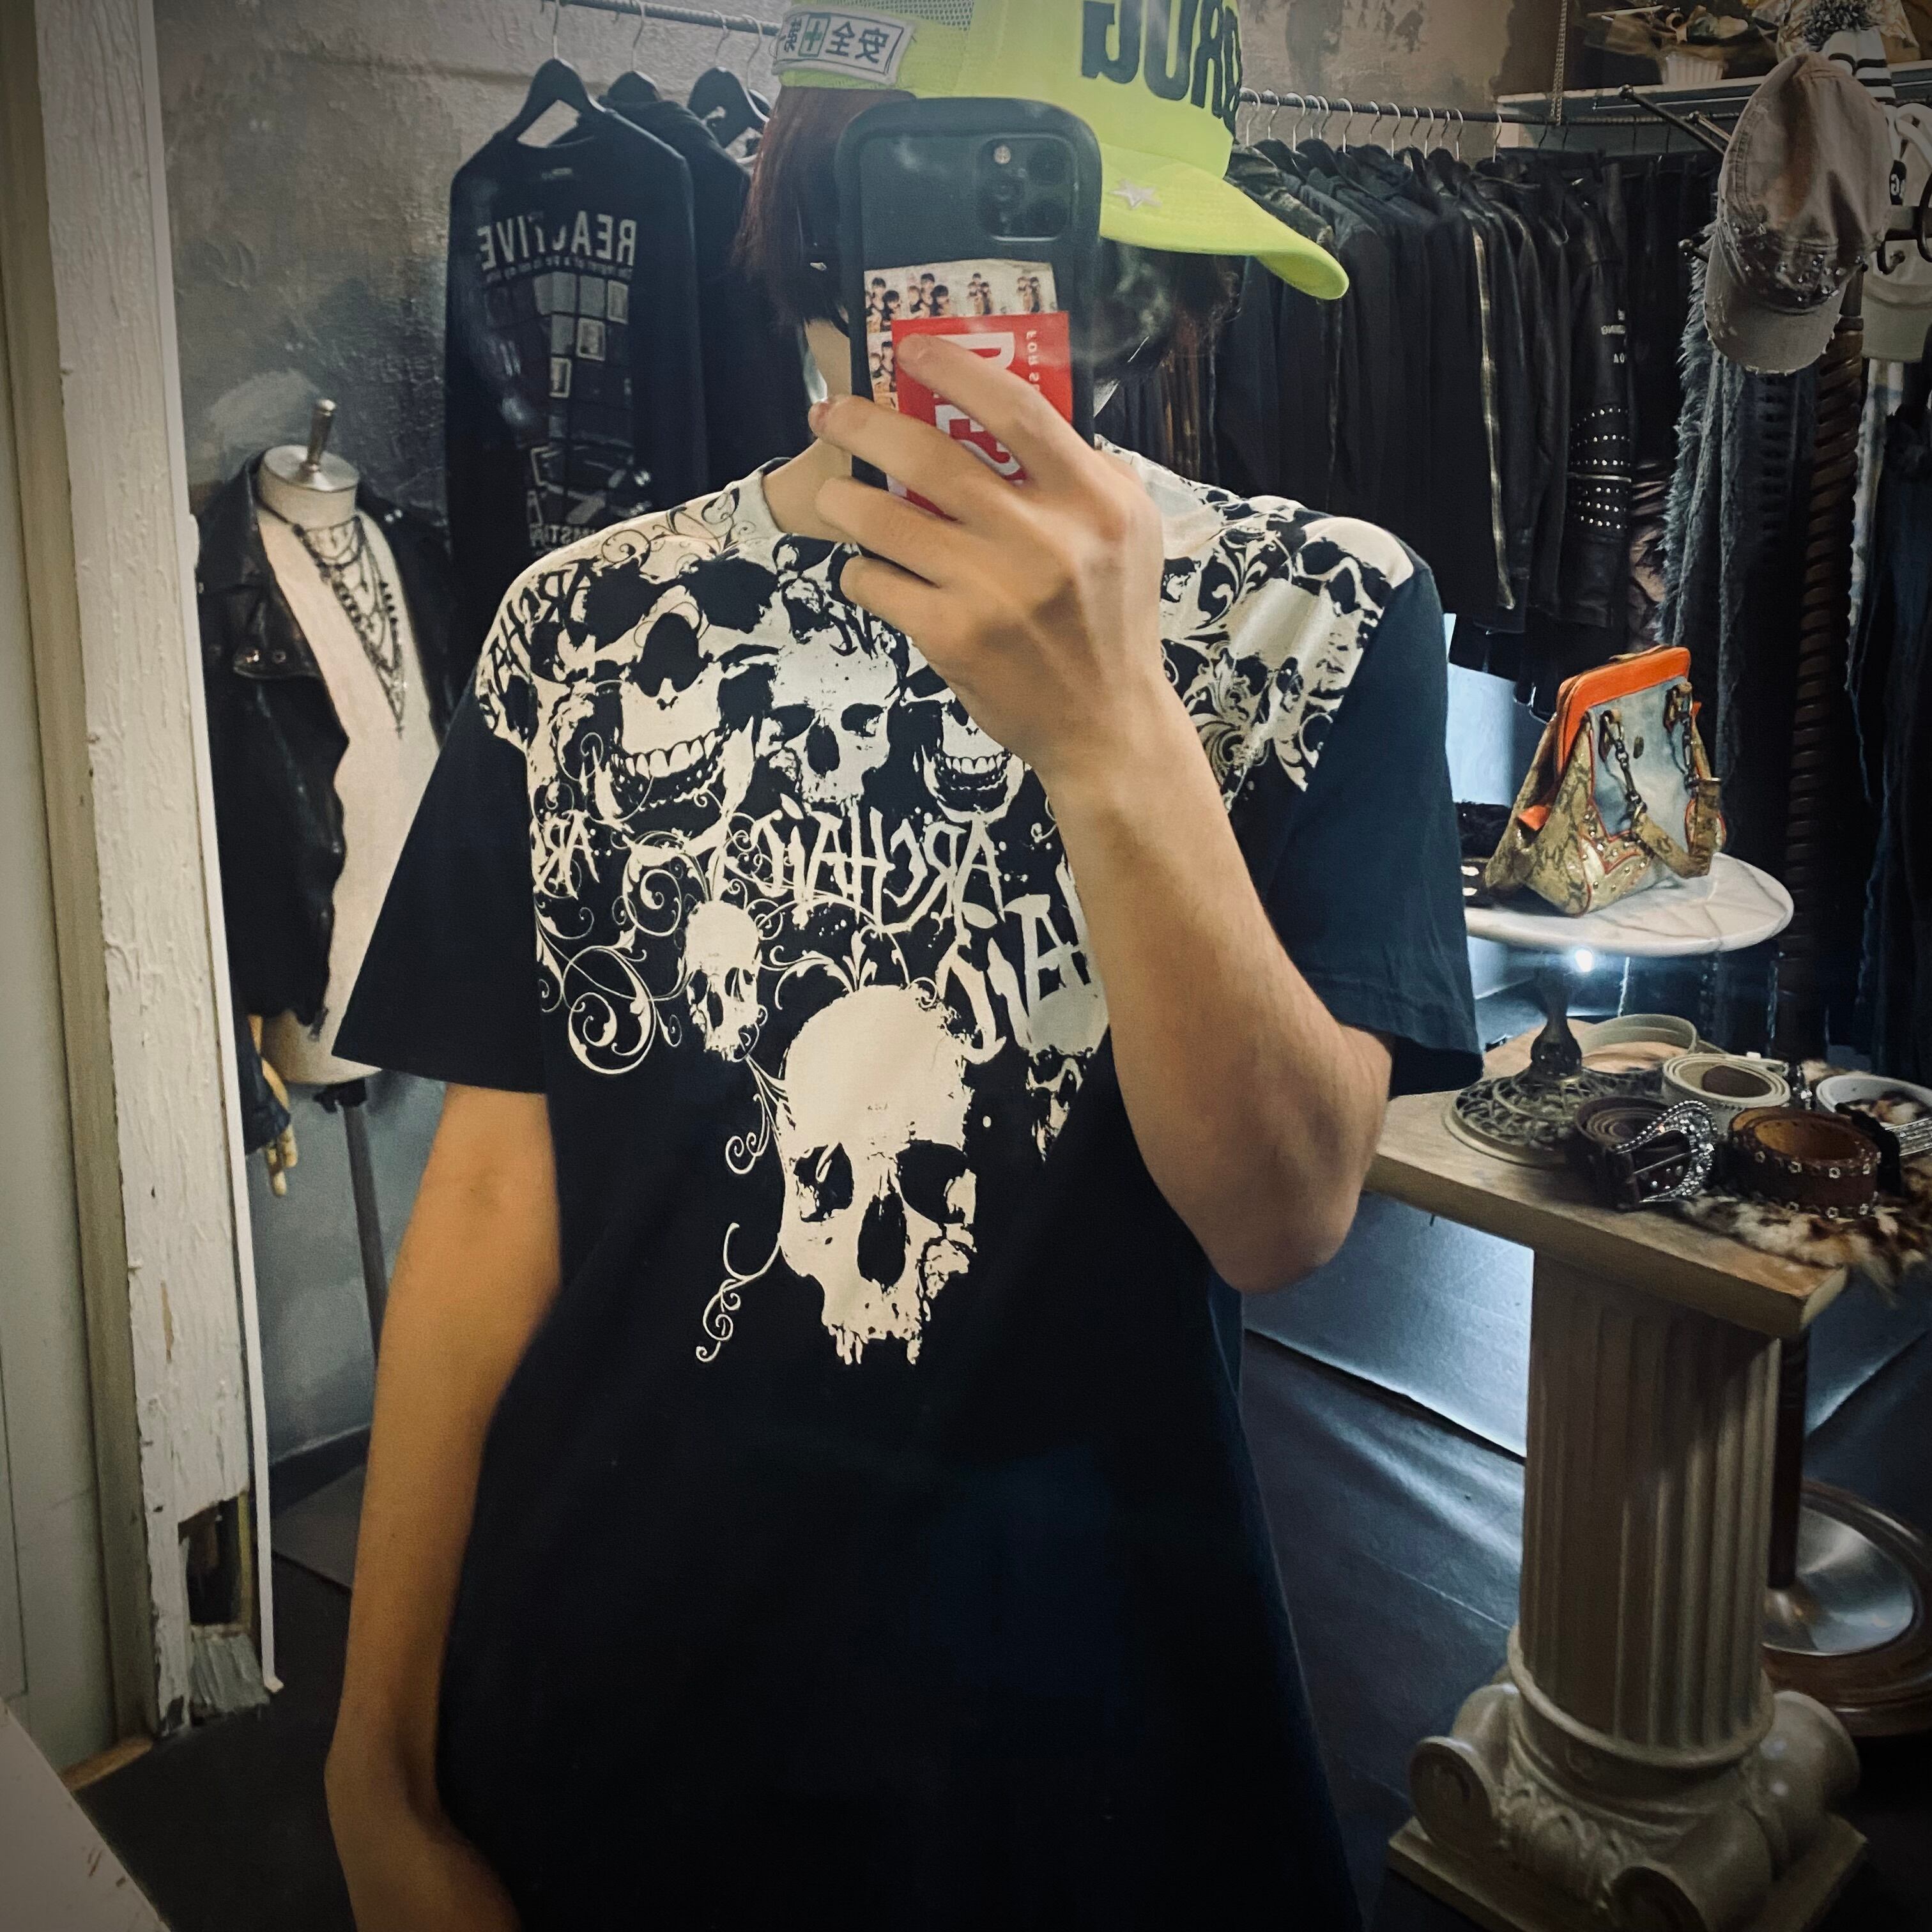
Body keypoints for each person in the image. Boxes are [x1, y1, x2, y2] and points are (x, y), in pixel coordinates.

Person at [325, 5, 1479, 1928]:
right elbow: (500, 1191)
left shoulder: (1327, 619)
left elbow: (1283, 1212)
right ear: (828, 213)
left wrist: (1113, 737)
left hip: (1082, 1738)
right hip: (605, 1687)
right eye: (1024, 239)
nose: (1070, 321)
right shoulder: (584, 629)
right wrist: (374, 1757)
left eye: (1124, 267)